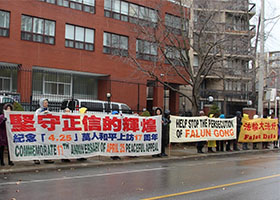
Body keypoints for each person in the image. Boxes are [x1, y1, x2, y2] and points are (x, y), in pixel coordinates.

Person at [34, 98, 54, 164]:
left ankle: (46, 158)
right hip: (39, 130)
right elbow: (36, 118)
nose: (46, 104)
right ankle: (36, 158)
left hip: (46, 131)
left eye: (47, 103)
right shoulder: (38, 111)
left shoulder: (48, 111)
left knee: (46, 143)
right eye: (45, 103)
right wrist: (43, 113)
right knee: (39, 144)